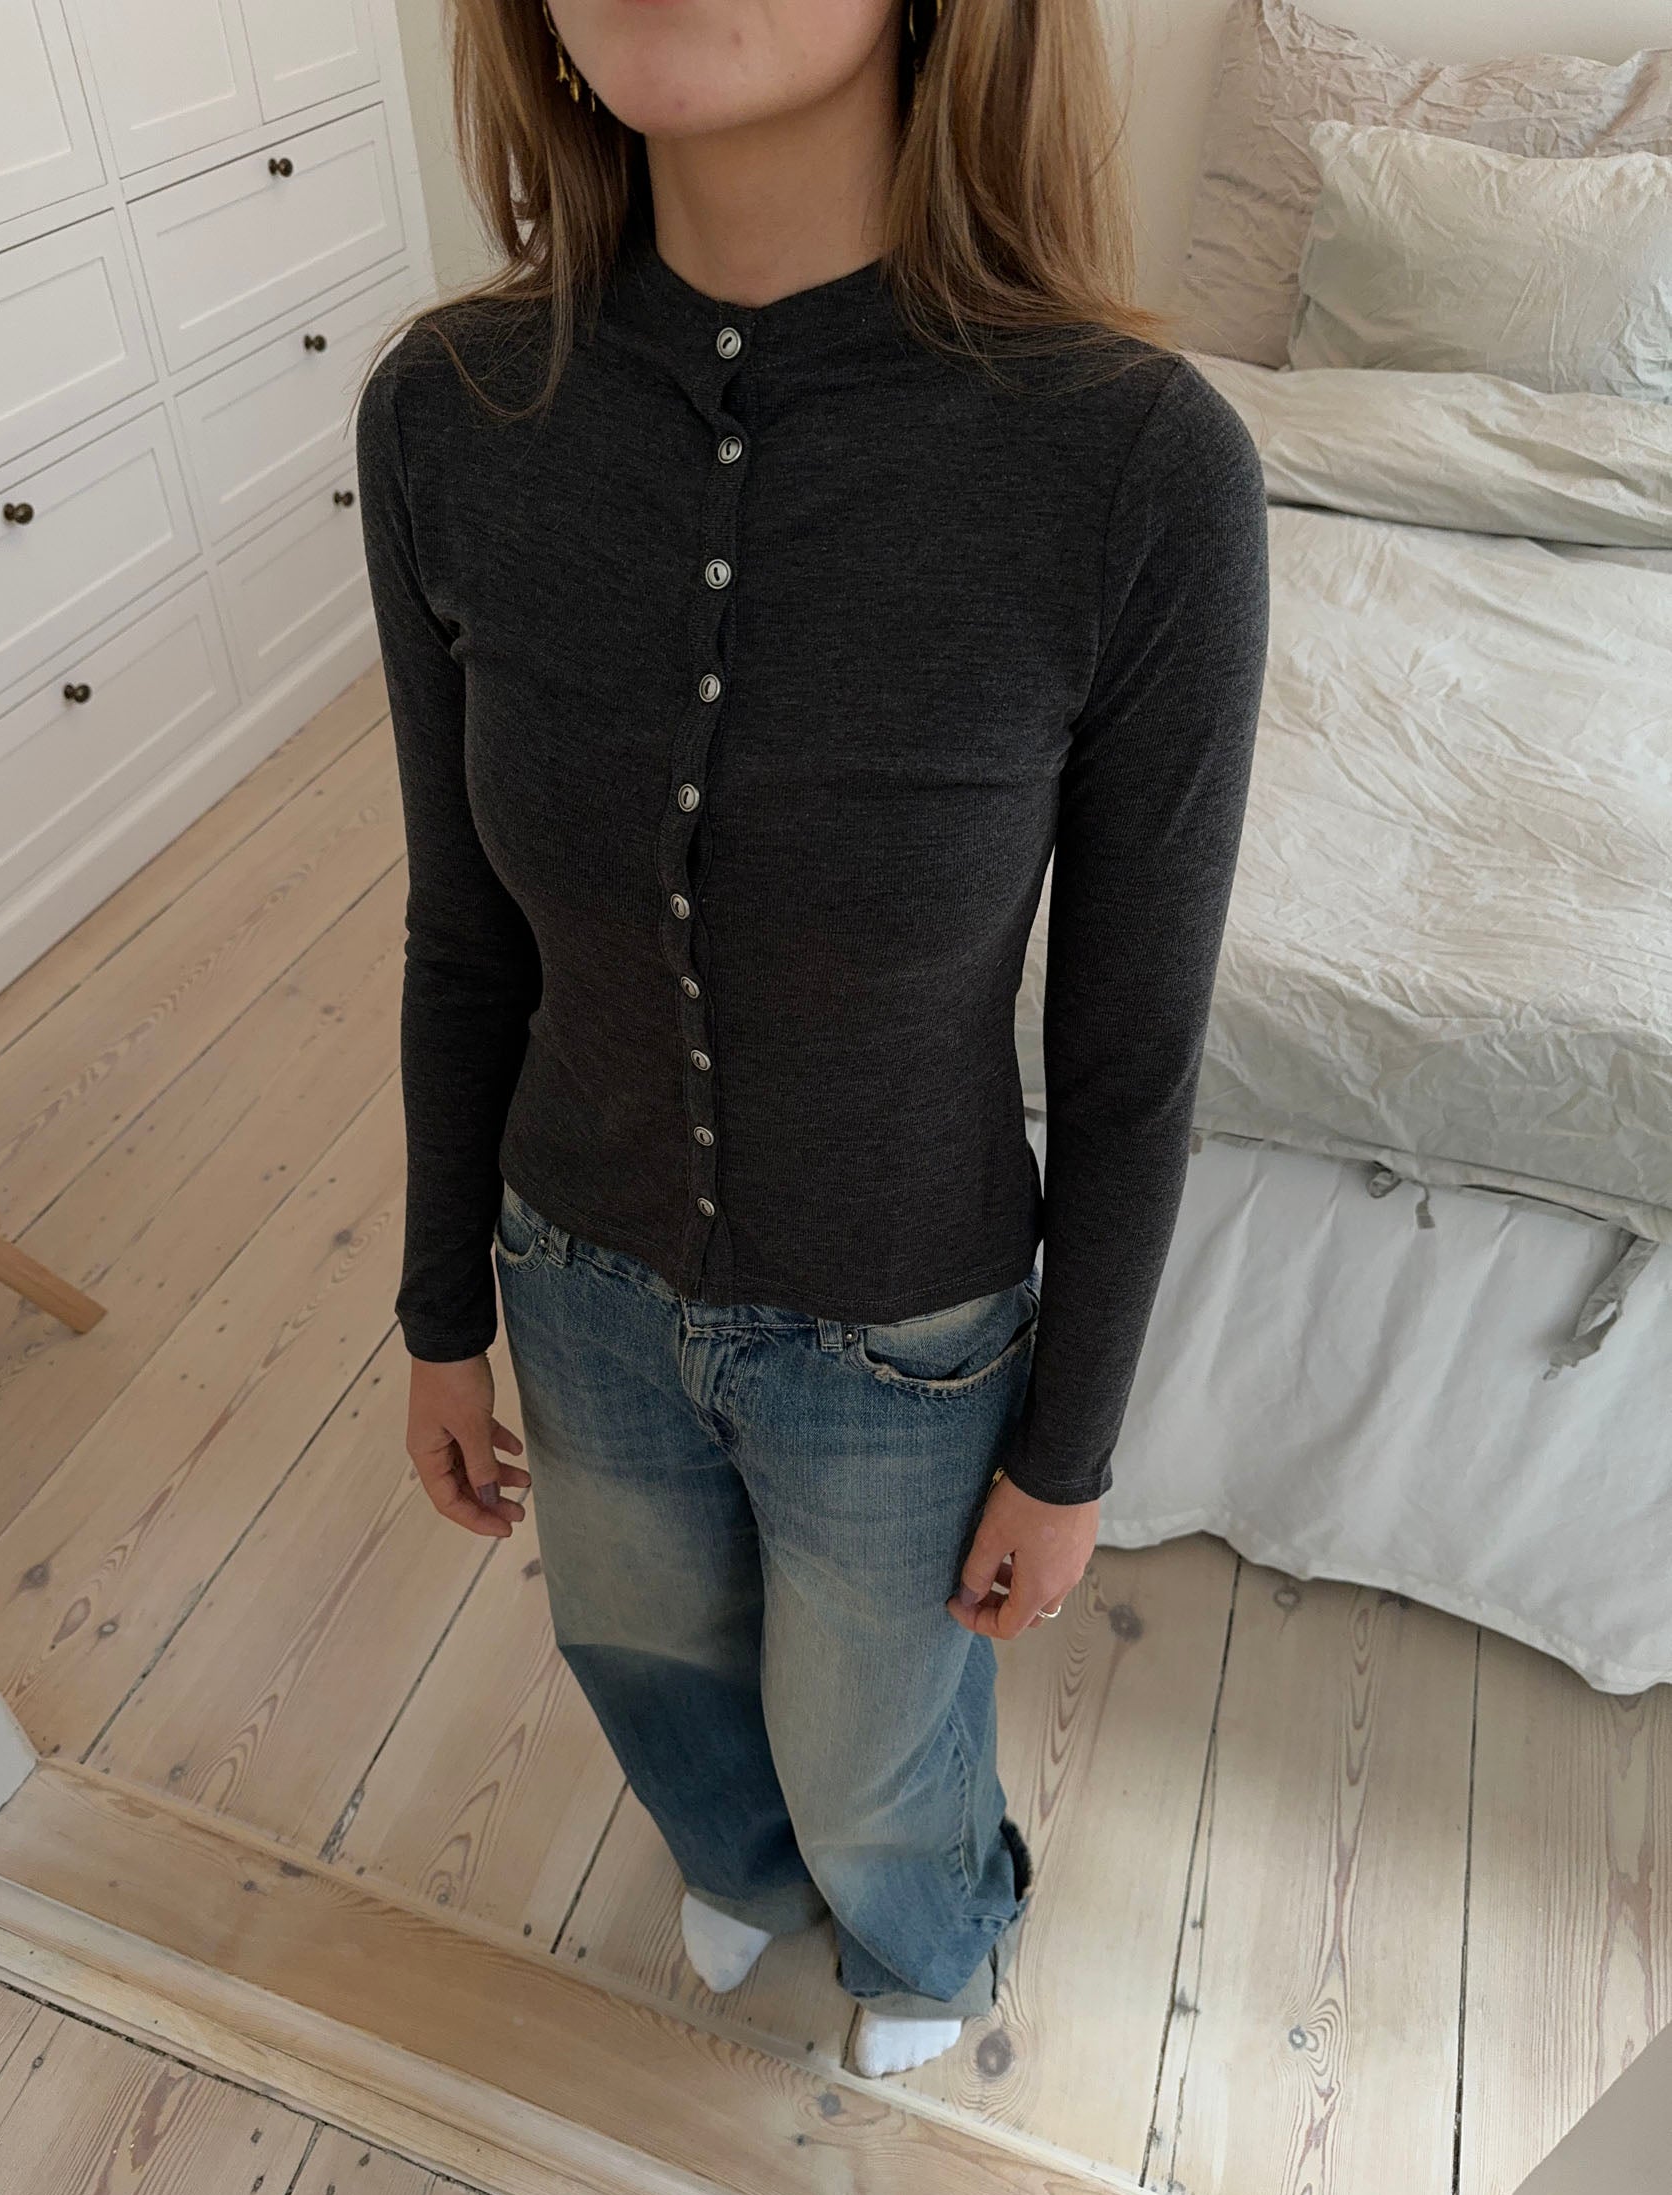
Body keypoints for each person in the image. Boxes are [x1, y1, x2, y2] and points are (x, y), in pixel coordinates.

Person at [355, 0, 1270, 2081]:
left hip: (901, 1327)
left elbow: (1131, 1046)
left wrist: (1066, 1450)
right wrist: (438, 1314)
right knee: (646, 1667)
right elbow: (460, 931)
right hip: (571, 1272)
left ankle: (928, 1933)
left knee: (879, 1749)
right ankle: (742, 1868)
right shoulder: (449, 414)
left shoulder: (1130, 465)